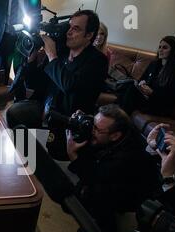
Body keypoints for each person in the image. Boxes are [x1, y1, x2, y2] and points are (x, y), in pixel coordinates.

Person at [6, 10, 108, 159]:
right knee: (13, 113)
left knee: (55, 156)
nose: (69, 32)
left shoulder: (97, 61)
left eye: (76, 29)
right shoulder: (62, 52)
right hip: (46, 107)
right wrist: (31, 59)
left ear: (89, 35)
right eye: (70, 27)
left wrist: (52, 56)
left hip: (67, 118)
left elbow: (70, 86)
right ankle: (24, 155)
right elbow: (35, 83)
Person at [66, 105, 159, 232]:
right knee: (80, 194)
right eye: (93, 124)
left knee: (97, 190)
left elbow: (94, 176)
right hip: (117, 174)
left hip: (134, 192)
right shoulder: (117, 133)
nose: (91, 130)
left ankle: (106, 227)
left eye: (96, 129)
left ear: (115, 136)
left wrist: (73, 155)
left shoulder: (126, 156)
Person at [117, 36, 175, 115]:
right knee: (128, 86)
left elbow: (172, 98)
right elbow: (141, 79)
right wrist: (142, 84)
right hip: (146, 98)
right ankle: (115, 116)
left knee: (131, 91)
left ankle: (118, 117)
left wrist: (152, 93)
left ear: (174, 50)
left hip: (160, 105)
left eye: (165, 48)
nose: (160, 50)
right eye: (159, 47)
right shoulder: (154, 64)